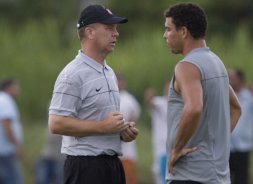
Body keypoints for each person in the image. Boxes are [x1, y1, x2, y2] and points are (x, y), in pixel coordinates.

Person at [48, 5, 138, 184]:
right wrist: (104, 127)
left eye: (116, 29)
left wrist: (121, 130)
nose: (116, 34)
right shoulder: (72, 74)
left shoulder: (109, 72)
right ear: (89, 32)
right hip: (84, 167)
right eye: (109, 28)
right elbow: (56, 123)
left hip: (112, 164)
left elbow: (100, 121)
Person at [163, 3, 241, 184]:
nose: (165, 35)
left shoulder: (186, 66)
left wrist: (176, 149)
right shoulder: (216, 62)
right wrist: (216, 142)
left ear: (183, 31)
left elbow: (194, 108)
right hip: (217, 177)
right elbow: (236, 109)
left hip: (190, 175)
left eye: (168, 29)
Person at [117, 74, 141, 184]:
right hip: (112, 148)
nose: (118, 83)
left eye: (120, 81)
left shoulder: (129, 99)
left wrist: (126, 127)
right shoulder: (110, 96)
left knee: (129, 177)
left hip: (127, 149)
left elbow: (134, 116)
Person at [144, 82, 169, 184]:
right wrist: (149, 96)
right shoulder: (160, 102)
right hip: (161, 147)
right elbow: (150, 103)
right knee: (161, 174)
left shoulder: (179, 103)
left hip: (175, 146)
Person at [0, 78, 23, 184]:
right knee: (13, 179)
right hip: (6, 150)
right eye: (16, 87)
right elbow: (6, 124)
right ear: (9, 88)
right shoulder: (6, 101)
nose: (18, 90)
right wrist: (16, 145)